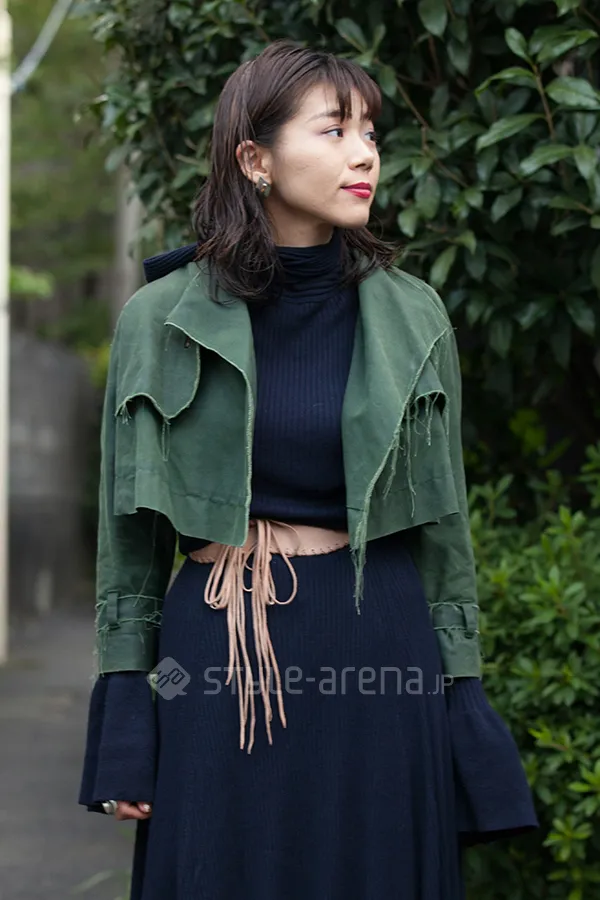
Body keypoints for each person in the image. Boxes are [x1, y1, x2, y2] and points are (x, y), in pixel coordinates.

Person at [78, 38, 538, 900]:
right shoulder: (160, 318)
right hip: (214, 655)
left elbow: (445, 531)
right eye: (333, 131)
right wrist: (128, 709)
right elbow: (127, 537)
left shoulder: (415, 316)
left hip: (380, 646)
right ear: (255, 159)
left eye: (370, 133)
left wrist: (461, 696)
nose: (364, 155)